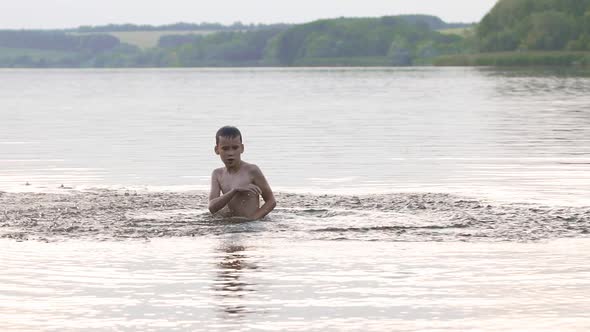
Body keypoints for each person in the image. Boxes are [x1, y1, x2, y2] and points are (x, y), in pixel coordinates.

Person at [208, 126, 276, 220]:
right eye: (225, 148)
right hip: (230, 225)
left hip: (251, 226)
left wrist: (253, 219)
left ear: (242, 148)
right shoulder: (217, 174)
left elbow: (271, 201)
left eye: (235, 148)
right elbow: (212, 207)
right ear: (217, 150)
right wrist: (235, 191)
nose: (230, 153)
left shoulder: (252, 170)